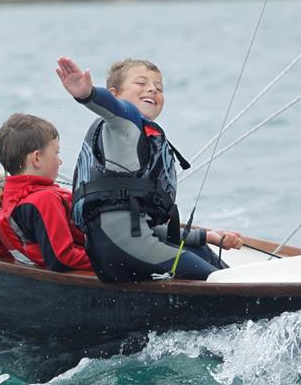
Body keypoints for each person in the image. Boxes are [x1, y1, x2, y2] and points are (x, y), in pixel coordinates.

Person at [55, 56, 242, 281]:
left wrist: (207, 236)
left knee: (204, 254)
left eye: (159, 87)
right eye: (141, 83)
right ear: (114, 93)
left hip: (122, 247)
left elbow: (145, 226)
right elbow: (112, 105)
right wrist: (87, 94)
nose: (152, 89)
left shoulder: (137, 135)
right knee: (219, 280)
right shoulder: (125, 121)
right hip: (126, 248)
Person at [0, 113, 92, 272]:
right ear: (37, 158)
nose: (60, 161)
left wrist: (29, 254)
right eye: (56, 153)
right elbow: (61, 259)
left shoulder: (6, 201)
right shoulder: (46, 200)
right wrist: (109, 261)